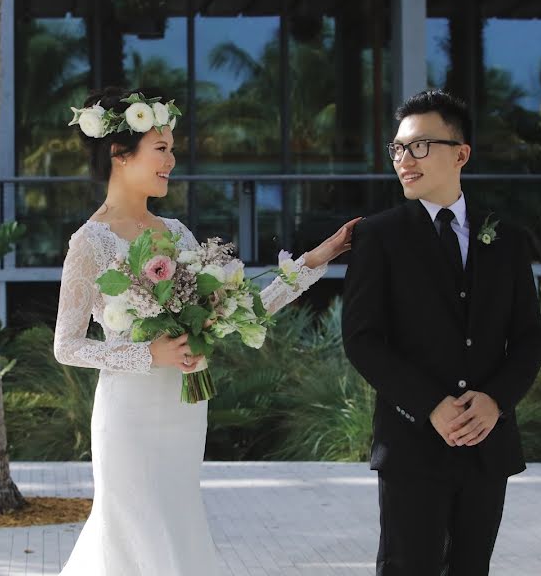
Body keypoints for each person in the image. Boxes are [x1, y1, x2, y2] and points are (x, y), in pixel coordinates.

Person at [54, 86, 360, 575]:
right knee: (134, 534)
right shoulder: (89, 242)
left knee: (179, 529)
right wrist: (147, 355)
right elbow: (66, 346)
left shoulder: (176, 233)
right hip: (128, 418)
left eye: (172, 149)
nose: (171, 160)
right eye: (161, 148)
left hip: (183, 412)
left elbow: (242, 310)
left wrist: (315, 260)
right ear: (119, 154)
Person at [342, 89, 541, 576]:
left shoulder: (508, 239)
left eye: (419, 146)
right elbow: (363, 339)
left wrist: (495, 401)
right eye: (397, 148)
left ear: (461, 153)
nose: (403, 159)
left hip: (486, 446)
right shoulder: (378, 236)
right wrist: (431, 405)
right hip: (411, 445)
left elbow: (528, 339)